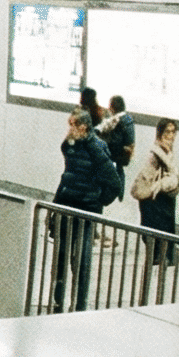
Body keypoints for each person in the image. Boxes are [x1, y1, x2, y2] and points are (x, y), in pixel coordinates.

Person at [49, 109, 122, 312]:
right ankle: (58, 301)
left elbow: (114, 183)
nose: (69, 128)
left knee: (81, 260)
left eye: (73, 124)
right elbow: (67, 176)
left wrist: (96, 202)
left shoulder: (96, 148)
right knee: (61, 259)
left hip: (84, 213)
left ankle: (79, 304)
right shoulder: (70, 146)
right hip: (66, 208)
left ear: (83, 126)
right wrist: (55, 207)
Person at [136, 117, 179, 268]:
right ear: (160, 133)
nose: (171, 135)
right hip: (155, 201)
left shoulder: (168, 152)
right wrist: (160, 185)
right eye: (167, 132)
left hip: (165, 200)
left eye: (173, 132)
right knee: (156, 245)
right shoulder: (155, 154)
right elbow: (146, 178)